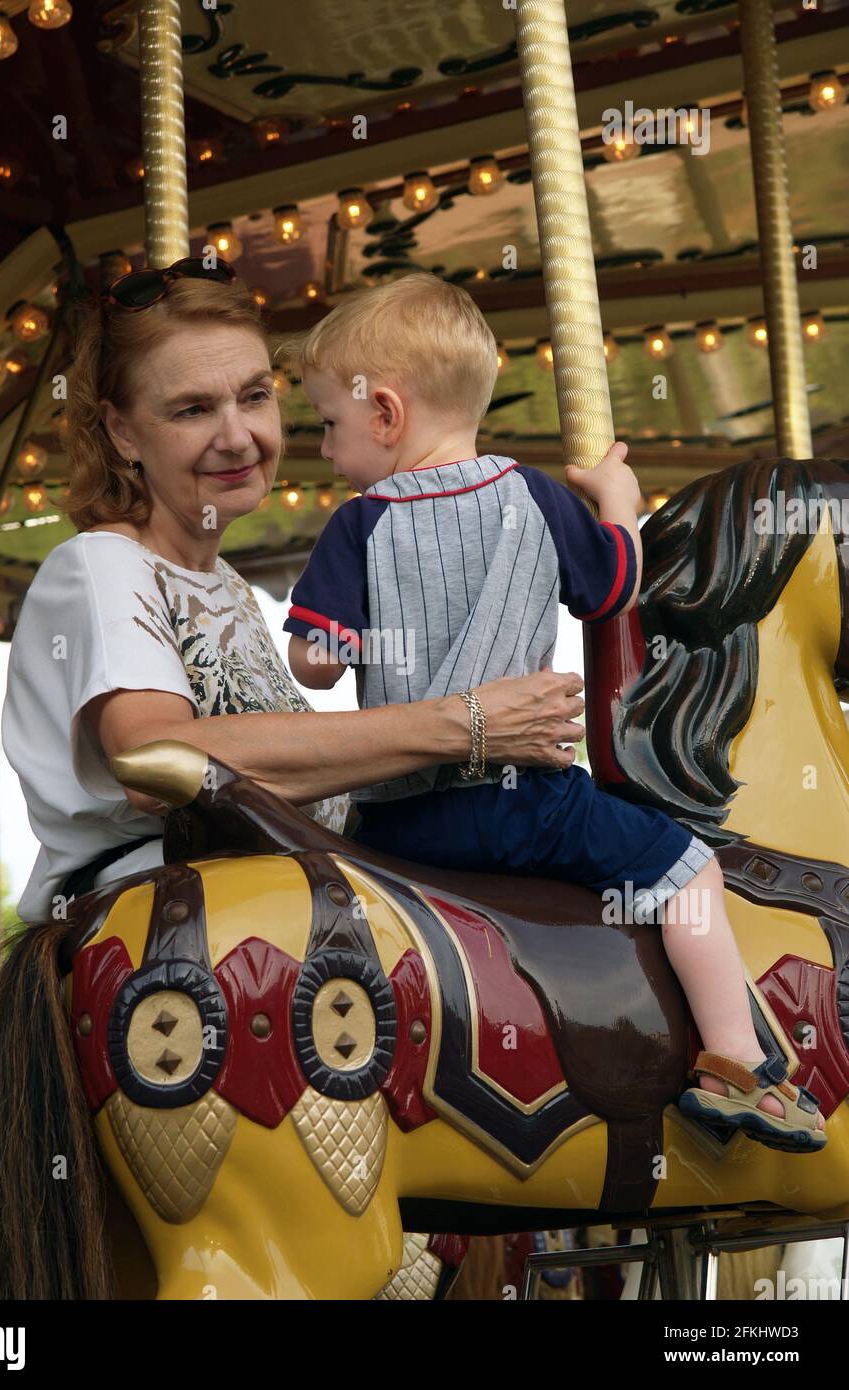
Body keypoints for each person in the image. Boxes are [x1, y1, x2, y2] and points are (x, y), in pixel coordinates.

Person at [280, 271, 825, 1152]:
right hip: (519, 806)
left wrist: (360, 645)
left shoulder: (359, 525)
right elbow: (612, 590)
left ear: (384, 413)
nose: (325, 448)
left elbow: (312, 661)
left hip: (394, 820)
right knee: (687, 873)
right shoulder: (532, 497)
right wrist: (617, 505)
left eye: (327, 427)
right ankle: (732, 1060)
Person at [1, 258, 588, 925]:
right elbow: (153, 760)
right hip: (179, 926)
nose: (237, 437)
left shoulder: (228, 590)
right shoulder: (103, 566)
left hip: (275, 906)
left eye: (253, 396)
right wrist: (468, 725)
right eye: (192, 409)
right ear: (122, 431)